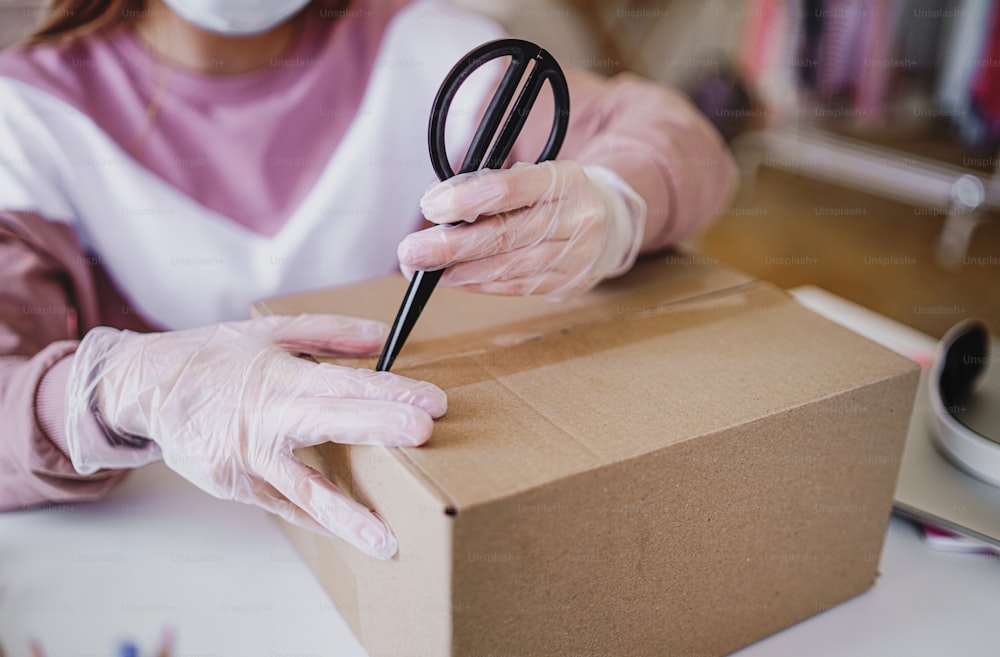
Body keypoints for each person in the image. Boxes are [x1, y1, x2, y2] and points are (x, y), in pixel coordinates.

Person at [0, 0, 737, 559]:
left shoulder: (431, 45)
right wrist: (111, 392)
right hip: (181, 550)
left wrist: (615, 201)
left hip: (422, 520)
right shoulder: (24, 116)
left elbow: (689, 146)